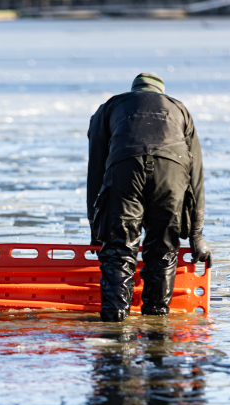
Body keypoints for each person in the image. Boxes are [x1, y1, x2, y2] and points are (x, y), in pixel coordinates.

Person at [86, 72, 212, 322]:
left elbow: (96, 168)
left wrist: (97, 228)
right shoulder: (179, 110)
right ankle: (157, 323)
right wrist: (196, 235)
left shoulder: (110, 107)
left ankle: (114, 323)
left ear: (134, 92)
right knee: (163, 250)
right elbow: (196, 173)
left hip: (125, 165)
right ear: (160, 93)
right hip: (172, 170)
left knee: (120, 249)